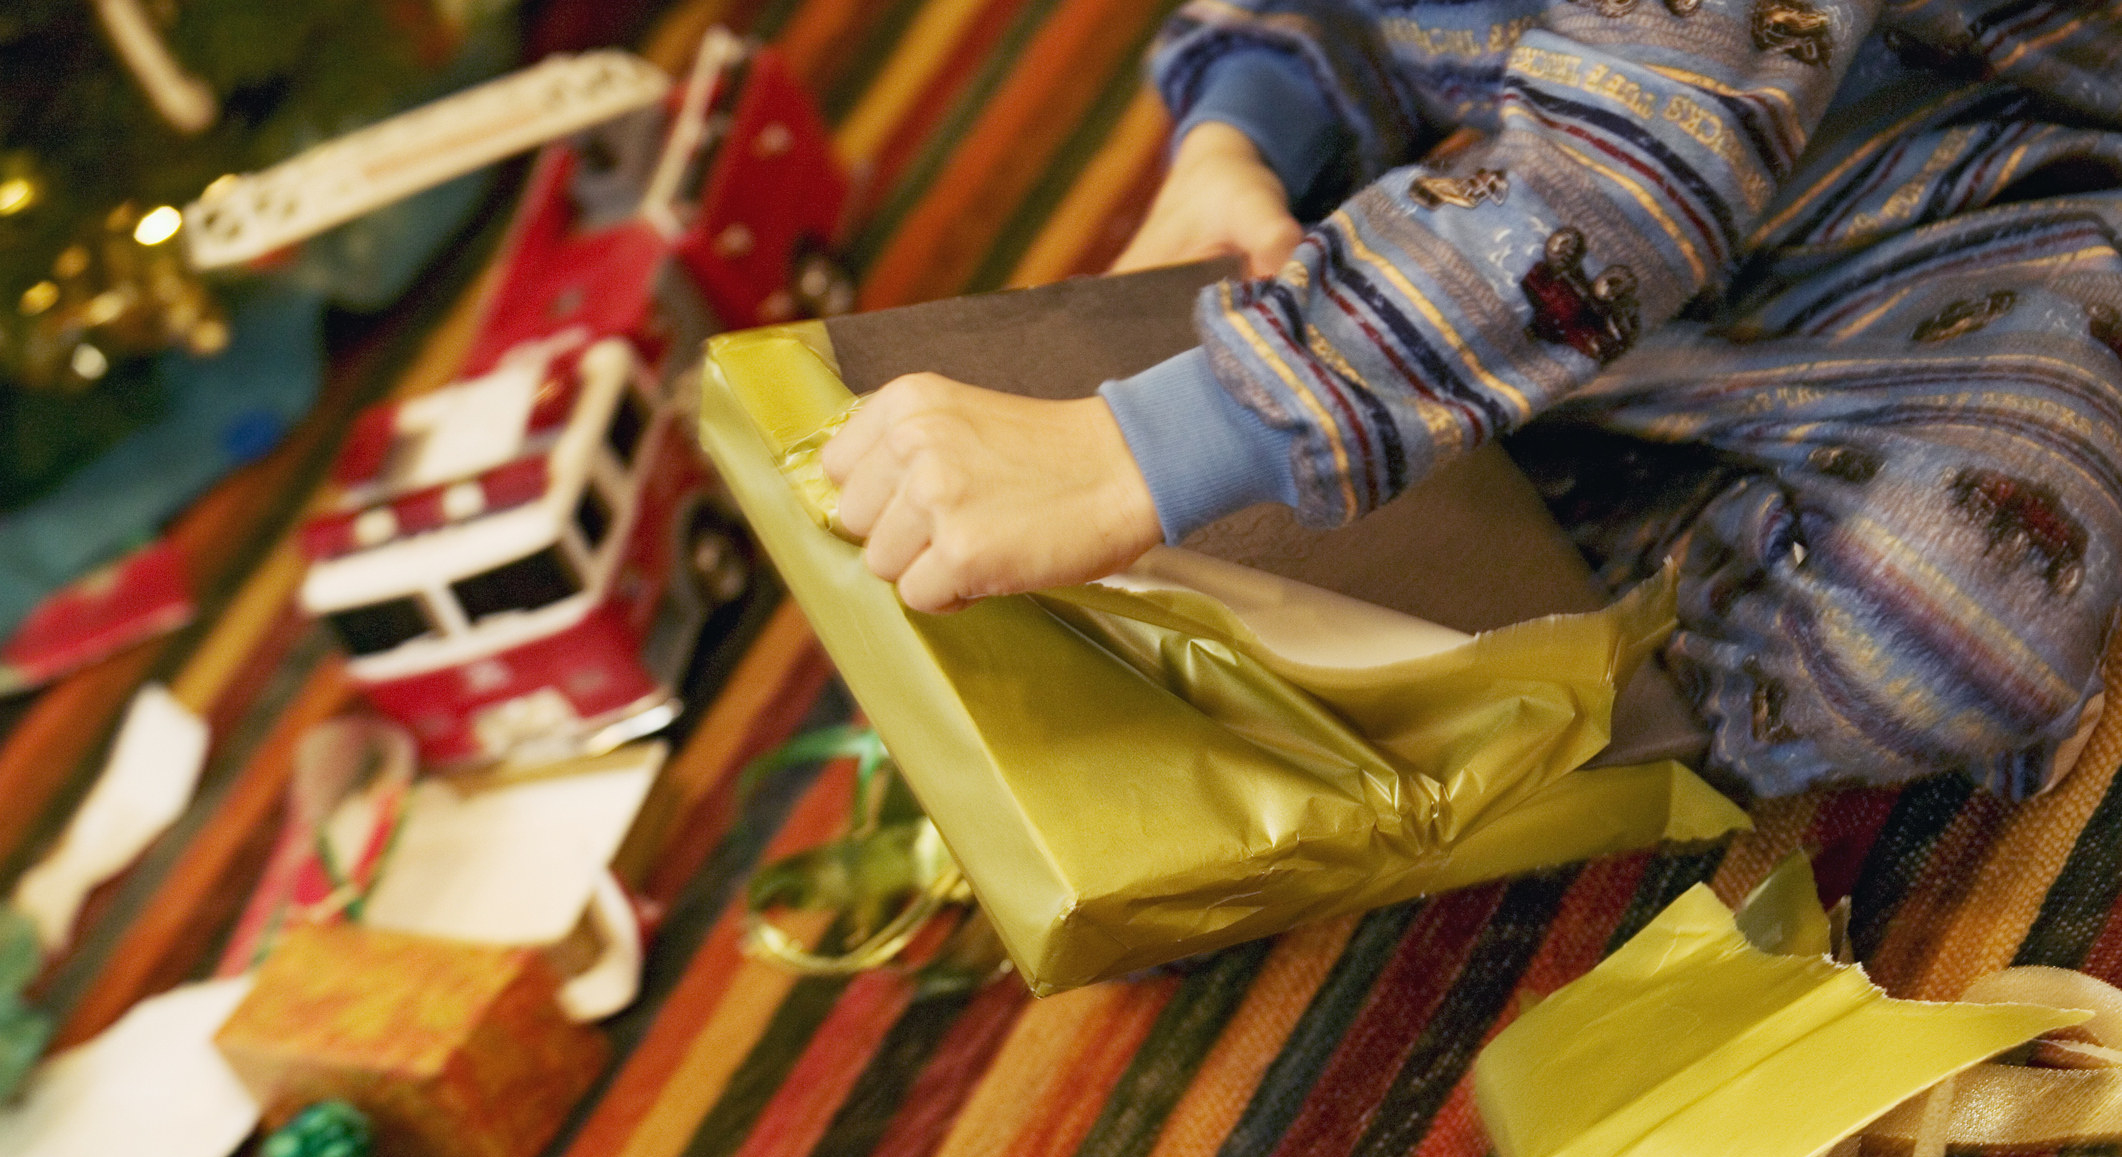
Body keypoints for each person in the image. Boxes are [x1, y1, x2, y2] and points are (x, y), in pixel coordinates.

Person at [819, 0, 2122, 799]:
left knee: (1952, 602)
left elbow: (1631, 170)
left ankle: (1572, 702)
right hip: (1570, 272)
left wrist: (1134, 450)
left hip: (1966, 234)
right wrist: (1240, 136)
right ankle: (1510, 607)